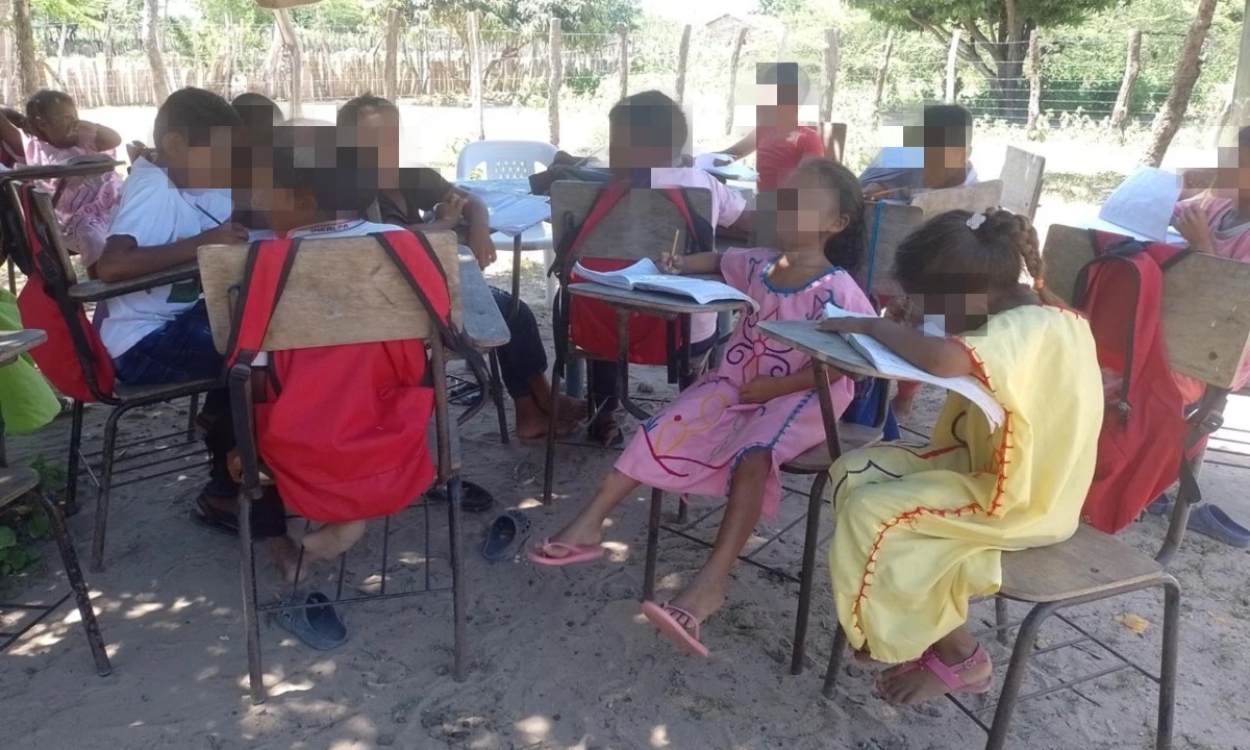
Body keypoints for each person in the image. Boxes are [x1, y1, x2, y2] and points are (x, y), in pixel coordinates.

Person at [529, 158, 873, 657]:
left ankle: (710, 584)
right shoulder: (760, 261)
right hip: (739, 380)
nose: (784, 207)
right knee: (662, 424)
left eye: (802, 202)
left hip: (805, 392)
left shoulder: (839, 290)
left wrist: (778, 390)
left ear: (835, 223)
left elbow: (851, 364)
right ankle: (589, 524)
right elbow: (719, 261)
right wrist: (678, 265)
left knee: (755, 453)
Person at [817, 208, 1102, 705]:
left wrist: (871, 325)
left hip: (1022, 498)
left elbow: (948, 358)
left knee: (874, 512)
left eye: (930, 307)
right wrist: (919, 323)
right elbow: (955, 343)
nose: (927, 318)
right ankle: (908, 619)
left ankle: (960, 655)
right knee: (854, 469)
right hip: (984, 468)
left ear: (971, 295)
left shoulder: (1029, 327)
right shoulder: (1014, 311)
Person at [336, 94, 585, 439]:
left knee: (514, 312)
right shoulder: (348, 193)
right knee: (509, 312)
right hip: (393, 305)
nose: (386, 146)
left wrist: (478, 229)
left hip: (430, 288)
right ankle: (538, 405)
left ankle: (536, 406)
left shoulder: (410, 177)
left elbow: (470, 200)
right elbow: (383, 243)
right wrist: (443, 223)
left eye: (392, 136)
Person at [94, 87, 249, 525]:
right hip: (143, 344)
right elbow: (111, 265)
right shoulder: (152, 188)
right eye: (217, 156)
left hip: (167, 324)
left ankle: (218, 417)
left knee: (254, 321)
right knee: (252, 358)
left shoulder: (178, 180)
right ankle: (224, 489)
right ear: (177, 145)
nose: (223, 167)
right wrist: (203, 243)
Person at [587, 90, 753, 447]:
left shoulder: (592, 190)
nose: (610, 152)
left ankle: (605, 415)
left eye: (615, 144)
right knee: (706, 327)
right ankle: (694, 415)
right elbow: (747, 223)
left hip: (607, 326)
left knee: (602, 314)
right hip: (683, 330)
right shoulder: (703, 184)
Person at [0, 90, 124, 269]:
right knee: (91, 235)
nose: (73, 122)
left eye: (74, 116)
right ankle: (102, 282)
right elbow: (5, 127)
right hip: (74, 220)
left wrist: (95, 127)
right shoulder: (33, 149)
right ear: (42, 124)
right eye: (65, 118)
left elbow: (115, 139)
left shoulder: (86, 140)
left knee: (139, 221)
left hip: (112, 204)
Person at [717, 62, 825, 192]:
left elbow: (812, 183)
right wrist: (694, 160)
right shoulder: (763, 132)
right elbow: (729, 154)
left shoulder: (808, 139)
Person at [859, 104, 979, 200]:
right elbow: (904, 188)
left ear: (962, 155)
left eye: (933, 161)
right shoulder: (914, 170)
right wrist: (884, 189)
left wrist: (982, 222)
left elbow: (979, 221)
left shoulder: (979, 197)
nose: (923, 169)